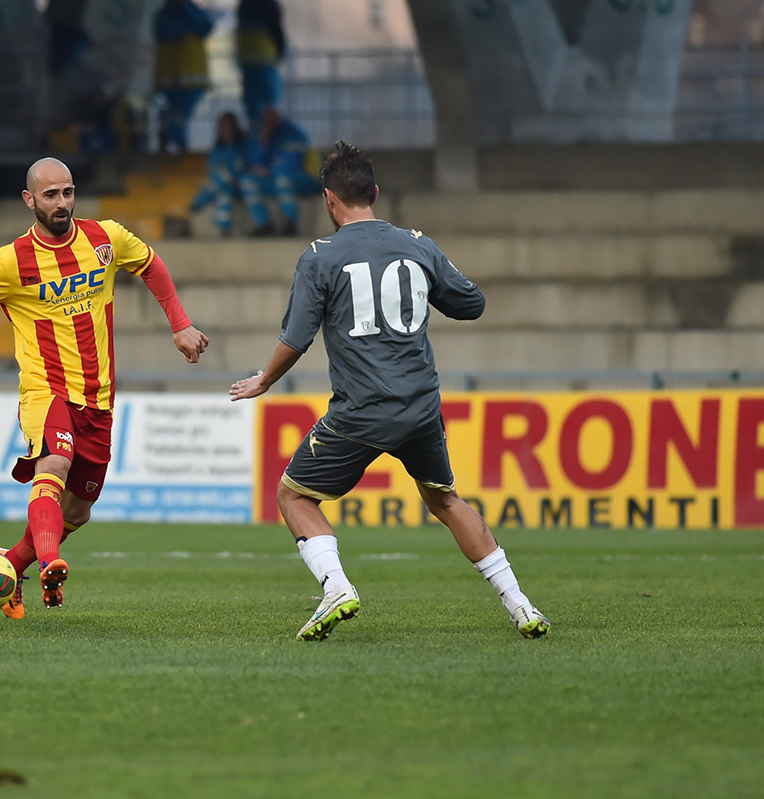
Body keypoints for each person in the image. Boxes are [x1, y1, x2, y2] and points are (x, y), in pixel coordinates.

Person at [228, 141, 551, 642]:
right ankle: (522, 604)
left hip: (361, 411)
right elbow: (472, 304)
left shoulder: (320, 256)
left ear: (330, 201)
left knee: (293, 496)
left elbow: (296, 338)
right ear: (375, 193)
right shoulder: (417, 244)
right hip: (421, 408)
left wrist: (263, 380)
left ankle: (336, 587)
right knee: (445, 500)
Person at [0, 157, 209, 617]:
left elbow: (151, 265)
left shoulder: (106, 238)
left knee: (78, 511)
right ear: (29, 200)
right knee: (54, 463)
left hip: (99, 399)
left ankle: (12, 566)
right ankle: (49, 563)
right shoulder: (10, 261)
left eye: (67, 192)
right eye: (50, 195)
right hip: (47, 392)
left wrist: (180, 324)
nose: (61, 203)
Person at [243, 106, 319, 236]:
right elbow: (254, 165)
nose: (267, 123)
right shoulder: (265, 135)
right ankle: (264, 224)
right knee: (248, 181)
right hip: (275, 179)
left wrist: (269, 171)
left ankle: (291, 223)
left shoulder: (293, 133)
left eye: (270, 119)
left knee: (282, 179)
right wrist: (264, 141)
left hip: (303, 178)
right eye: (264, 120)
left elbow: (291, 165)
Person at [153, 0, 215, 152]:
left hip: (193, 73)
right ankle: (179, 141)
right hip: (170, 74)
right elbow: (163, 31)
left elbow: (206, 27)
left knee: (181, 113)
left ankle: (171, 136)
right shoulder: (163, 14)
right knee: (176, 112)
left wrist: (187, 11)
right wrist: (187, 27)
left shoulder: (194, 10)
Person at [188, 111, 262, 237]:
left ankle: (199, 202)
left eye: (229, 126)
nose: (226, 130)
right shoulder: (217, 151)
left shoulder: (245, 147)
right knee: (224, 192)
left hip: (242, 187)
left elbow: (252, 168)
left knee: (223, 183)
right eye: (223, 127)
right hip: (226, 187)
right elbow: (212, 172)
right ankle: (223, 228)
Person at [235, 0, 285, 129]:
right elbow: (276, 29)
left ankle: (256, 133)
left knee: (252, 102)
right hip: (265, 58)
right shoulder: (269, 5)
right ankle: (268, 133)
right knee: (269, 101)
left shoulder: (244, 5)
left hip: (247, 59)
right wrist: (280, 50)